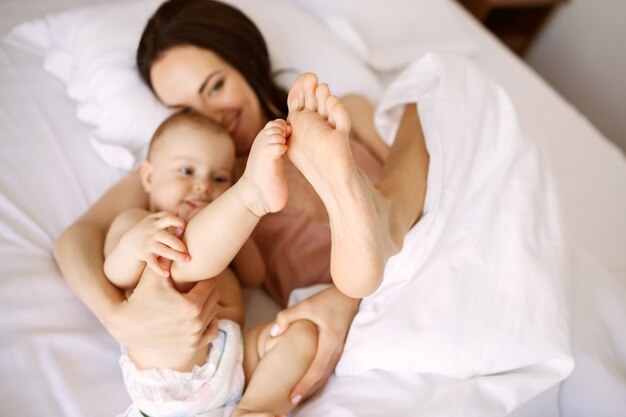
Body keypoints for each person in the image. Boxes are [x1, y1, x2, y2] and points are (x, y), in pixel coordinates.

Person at [53, 0, 428, 405]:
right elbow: (77, 240)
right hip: (357, 295)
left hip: (423, 241)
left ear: (245, 59)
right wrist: (118, 320)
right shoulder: (197, 170)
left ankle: (382, 216)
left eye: (214, 86)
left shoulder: (339, 114)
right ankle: (379, 224)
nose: (211, 116)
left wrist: (347, 297)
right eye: (185, 110)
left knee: (424, 104)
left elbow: (447, 177)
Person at [105, 111, 317, 417]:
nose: (203, 186)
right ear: (150, 177)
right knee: (175, 260)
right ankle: (250, 195)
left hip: (232, 362)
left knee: (301, 331)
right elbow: (114, 273)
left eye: (219, 178)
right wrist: (134, 246)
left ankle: (255, 407)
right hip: (172, 363)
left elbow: (254, 275)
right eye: (186, 170)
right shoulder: (137, 223)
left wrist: (234, 230)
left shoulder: (222, 236)